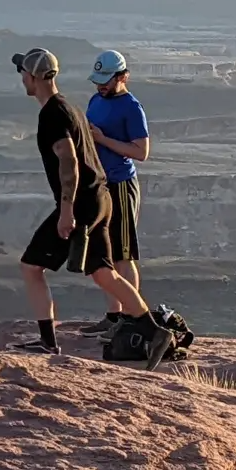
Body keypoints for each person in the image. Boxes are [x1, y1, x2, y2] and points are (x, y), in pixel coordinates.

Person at [9, 47, 181, 367]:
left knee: (31, 267)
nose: (21, 78)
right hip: (100, 197)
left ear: (32, 77)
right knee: (103, 272)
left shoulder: (52, 115)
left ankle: (47, 343)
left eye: (23, 73)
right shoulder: (72, 107)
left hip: (83, 204)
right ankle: (155, 332)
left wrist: (66, 211)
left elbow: (69, 163)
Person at [80, 49, 152, 336]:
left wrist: (103, 139)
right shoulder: (96, 100)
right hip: (99, 185)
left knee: (123, 255)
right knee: (105, 254)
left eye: (106, 80)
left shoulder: (131, 108)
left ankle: (133, 318)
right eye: (98, 80)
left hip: (120, 185)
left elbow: (141, 152)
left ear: (122, 77)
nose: (101, 85)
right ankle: (113, 315)